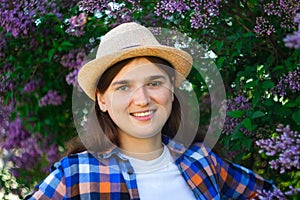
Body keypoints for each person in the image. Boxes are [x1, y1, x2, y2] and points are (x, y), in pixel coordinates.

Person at [26, 22, 275, 200]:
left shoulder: (201, 160)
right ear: (102, 100)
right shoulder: (75, 176)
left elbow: (270, 194)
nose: (142, 100)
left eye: (154, 83)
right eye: (123, 87)